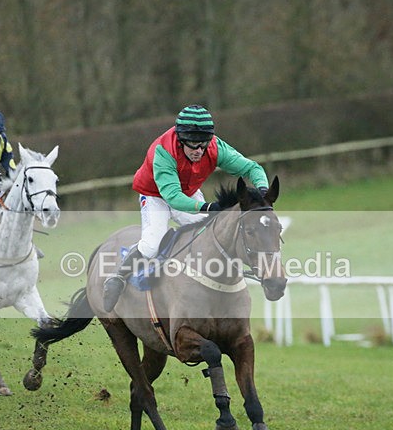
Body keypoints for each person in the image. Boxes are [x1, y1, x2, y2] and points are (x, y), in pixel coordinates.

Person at [102, 104, 270, 312]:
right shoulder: (163, 151)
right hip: (156, 195)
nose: (199, 151)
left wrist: (263, 191)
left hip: (188, 193)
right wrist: (208, 206)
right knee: (152, 243)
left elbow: (252, 168)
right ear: (180, 140)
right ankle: (118, 276)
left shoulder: (215, 147)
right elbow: (172, 198)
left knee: (209, 233)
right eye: (193, 145)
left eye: (203, 145)